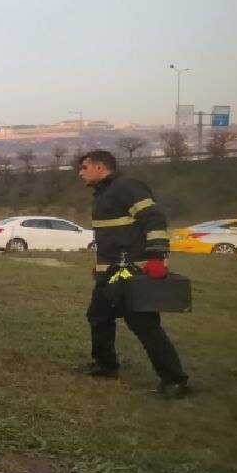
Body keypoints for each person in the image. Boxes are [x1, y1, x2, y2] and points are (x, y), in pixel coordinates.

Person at [77, 150, 189, 398]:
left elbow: (154, 219)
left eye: (84, 167)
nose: (80, 173)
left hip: (130, 272)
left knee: (144, 325)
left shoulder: (128, 187)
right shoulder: (103, 195)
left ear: (99, 167)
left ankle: (175, 380)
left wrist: (157, 256)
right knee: (98, 316)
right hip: (110, 273)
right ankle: (106, 365)